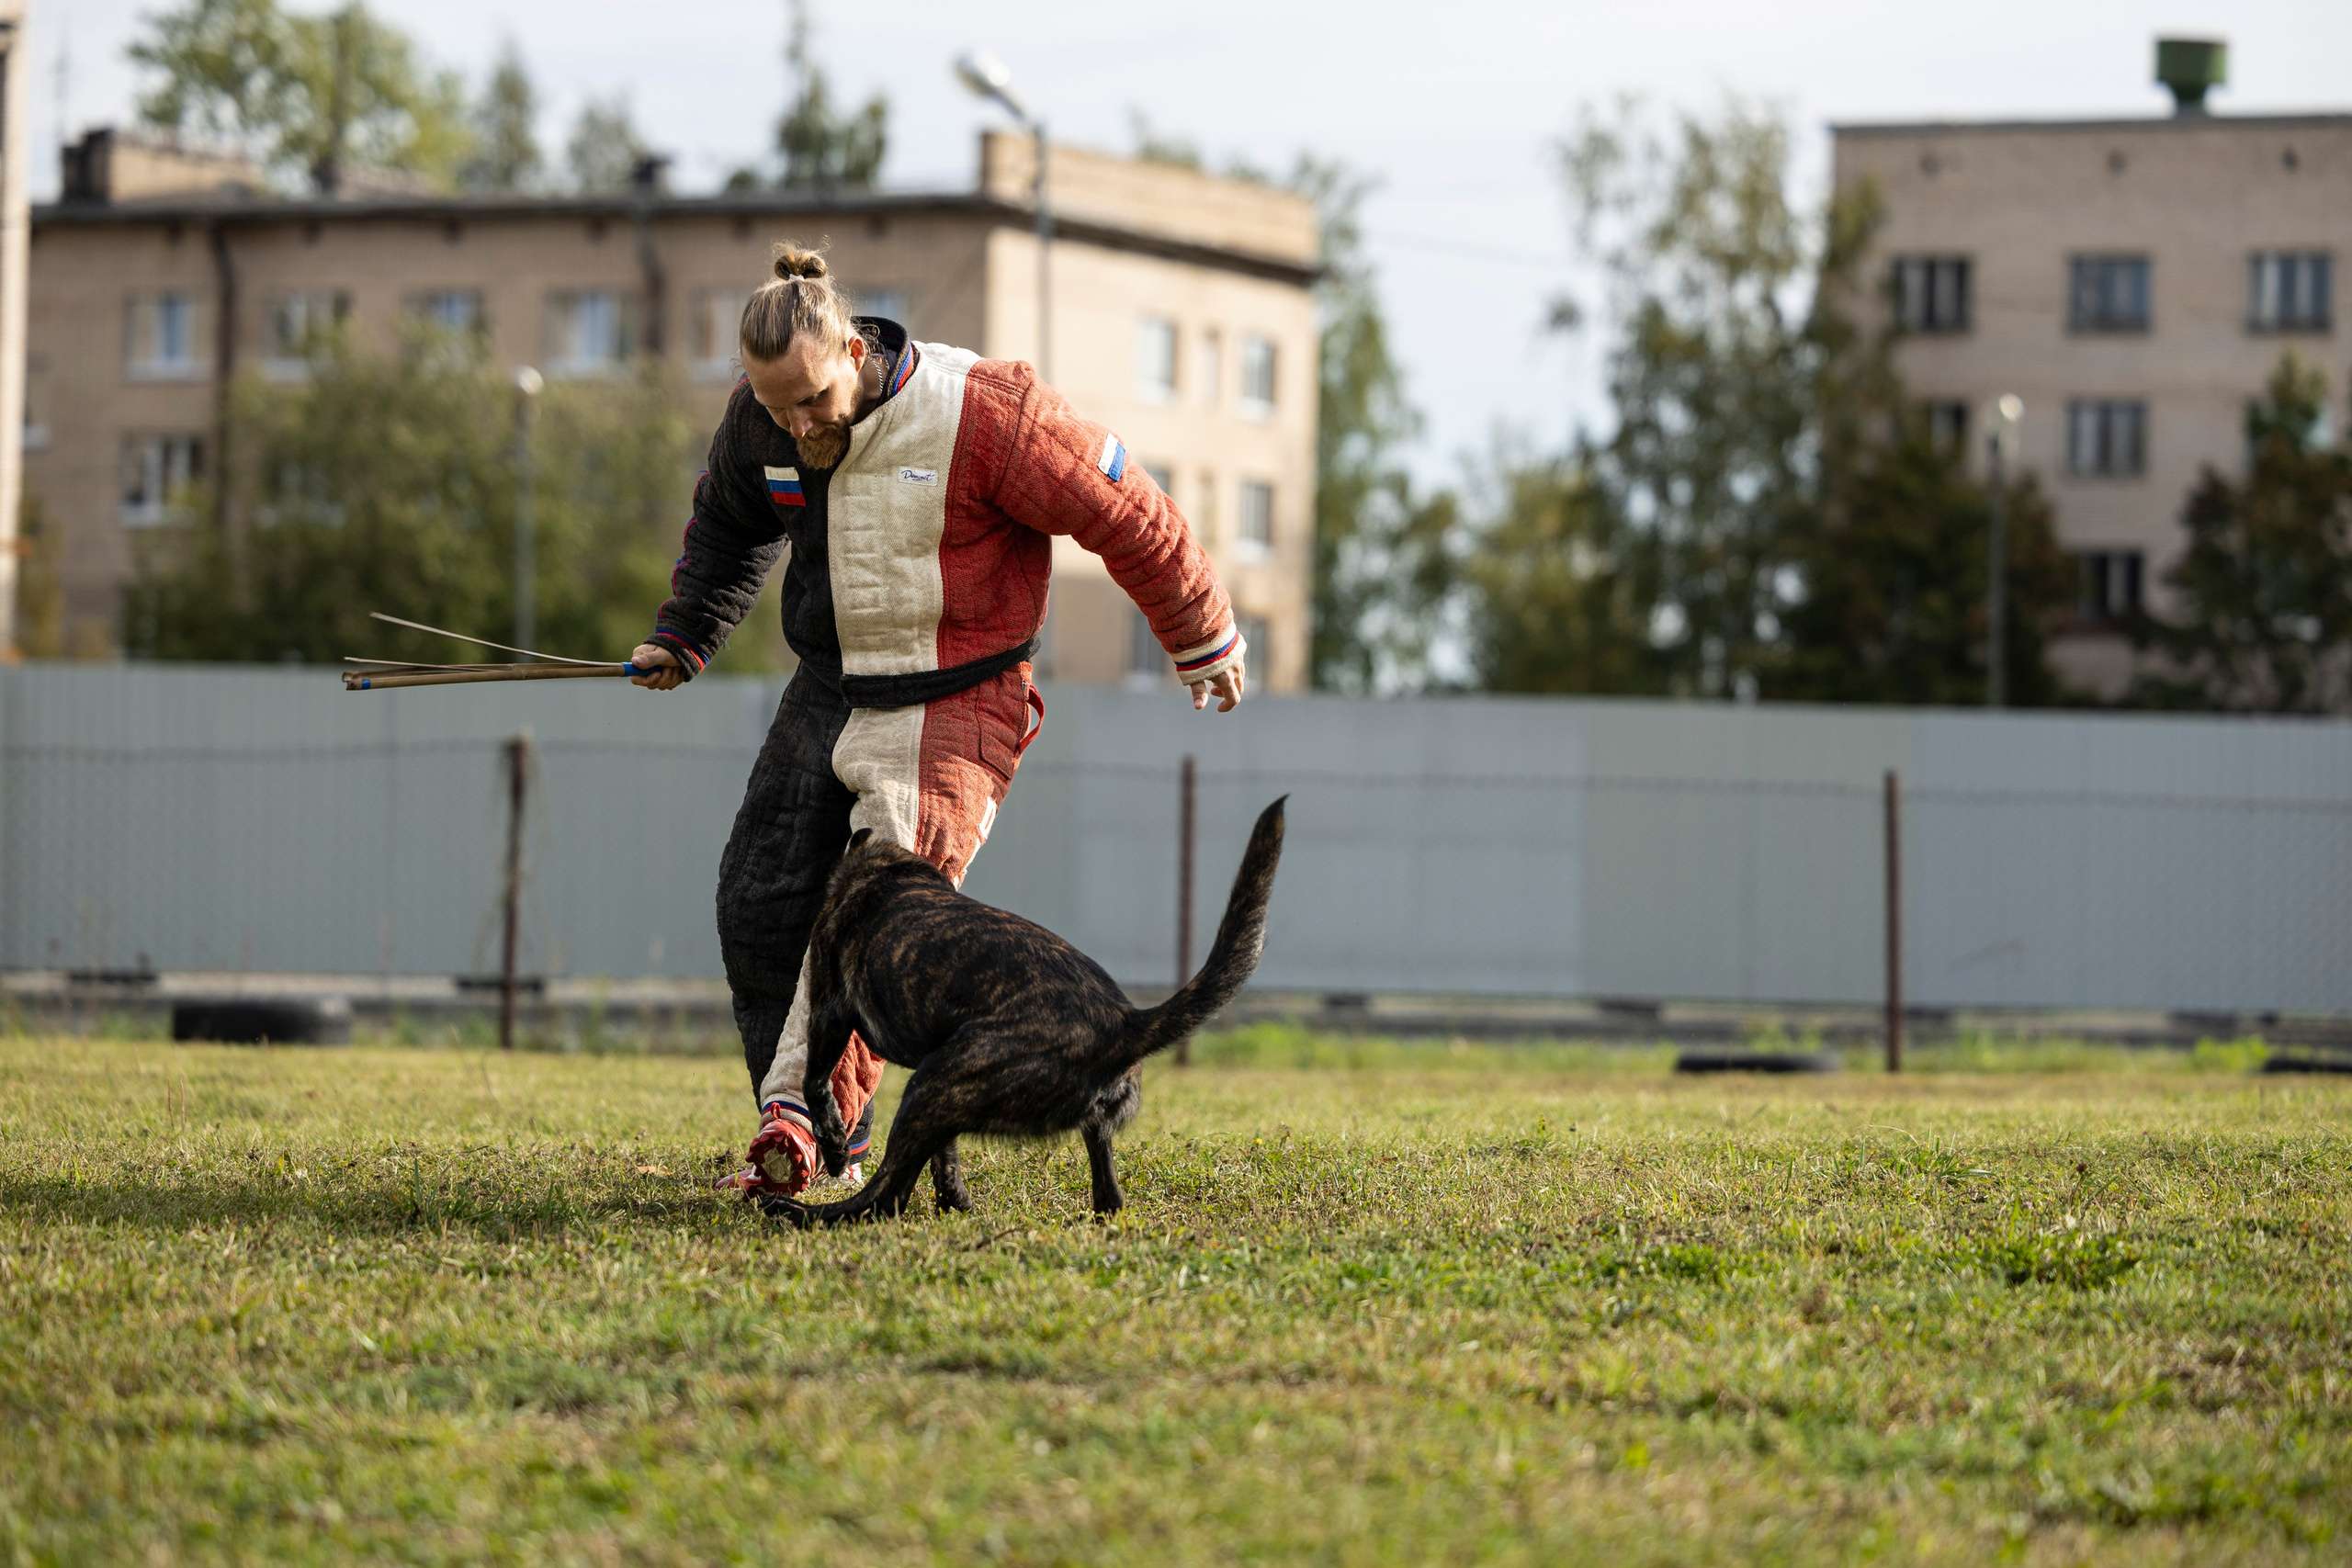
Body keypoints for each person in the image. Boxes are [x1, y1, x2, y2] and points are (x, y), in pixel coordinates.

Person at [630, 243, 1249, 1198]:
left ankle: (806, 1141)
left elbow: (1122, 506)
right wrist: (686, 634)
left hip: (957, 691)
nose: (797, 424)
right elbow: (726, 525)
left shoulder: (984, 412)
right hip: (829, 686)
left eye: (812, 400)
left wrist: (1199, 632)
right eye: (774, 405)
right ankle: (823, 1133)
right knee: (756, 905)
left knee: (875, 922)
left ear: (849, 345)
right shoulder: (762, 423)